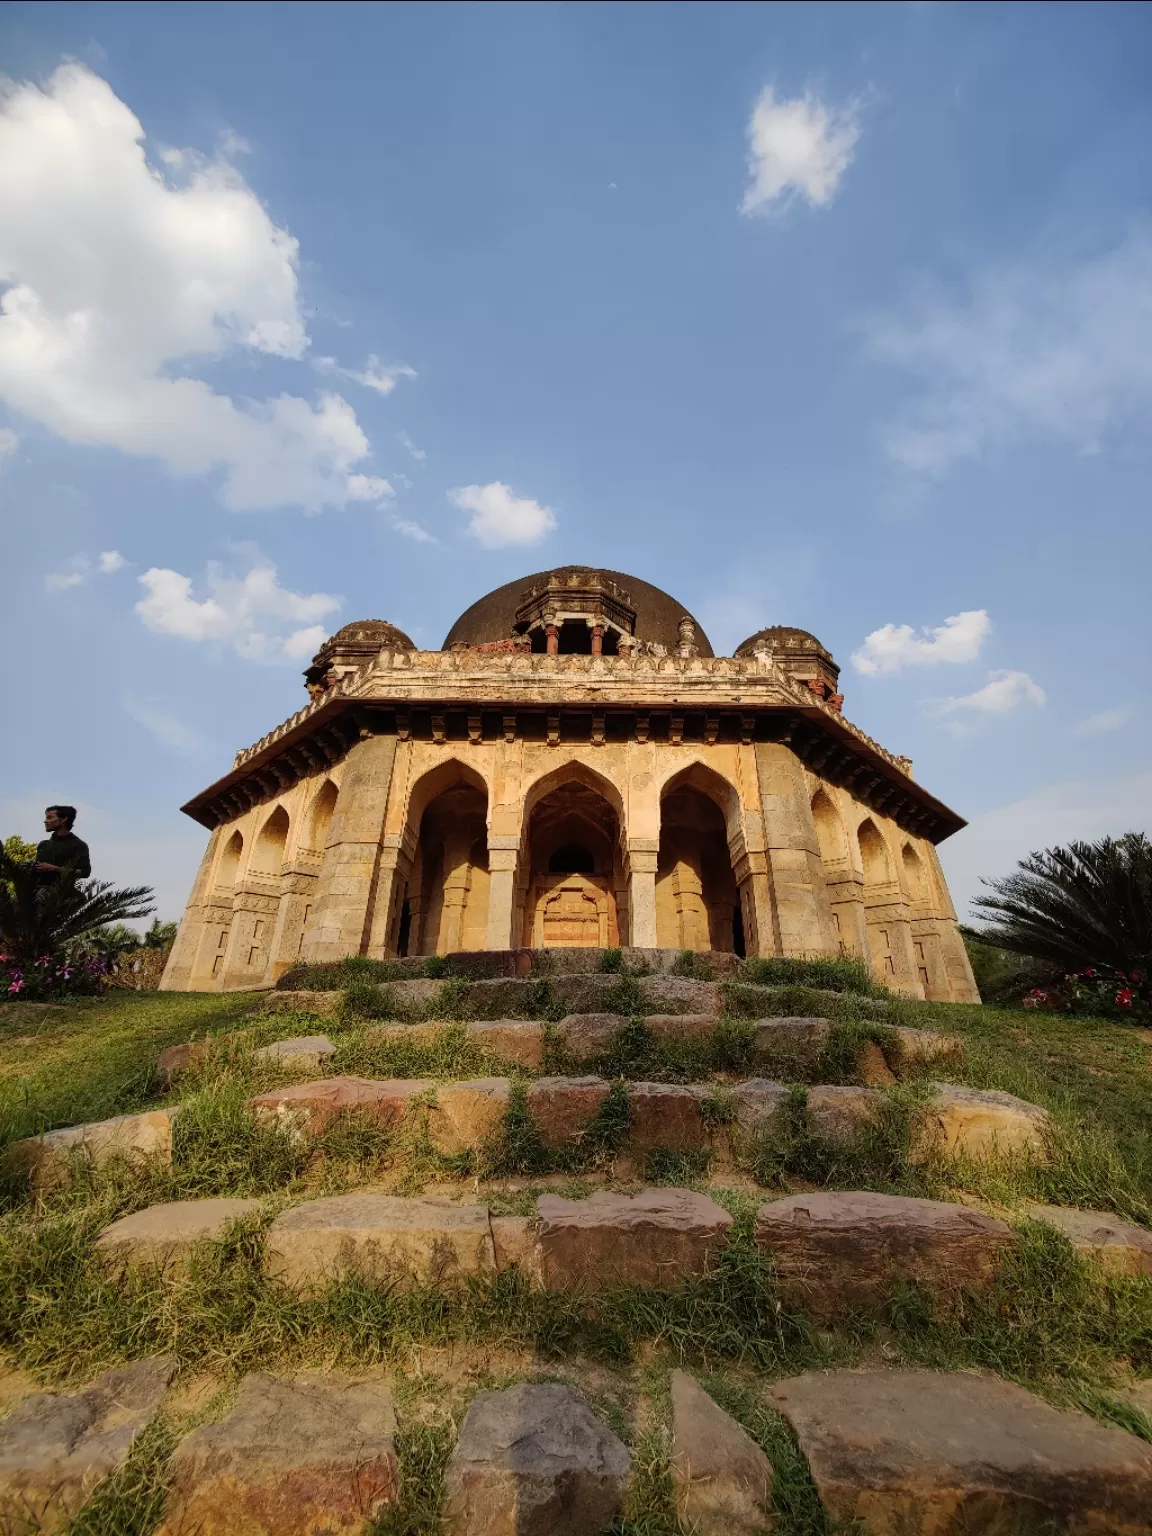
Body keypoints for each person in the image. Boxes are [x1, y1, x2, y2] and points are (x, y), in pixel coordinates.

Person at [35, 805, 91, 881]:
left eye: (50, 817)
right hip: (38, 891)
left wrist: (55, 869)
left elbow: (85, 872)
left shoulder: (79, 845)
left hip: (63, 892)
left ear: (64, 819)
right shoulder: (43, 844)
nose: (45, 821)